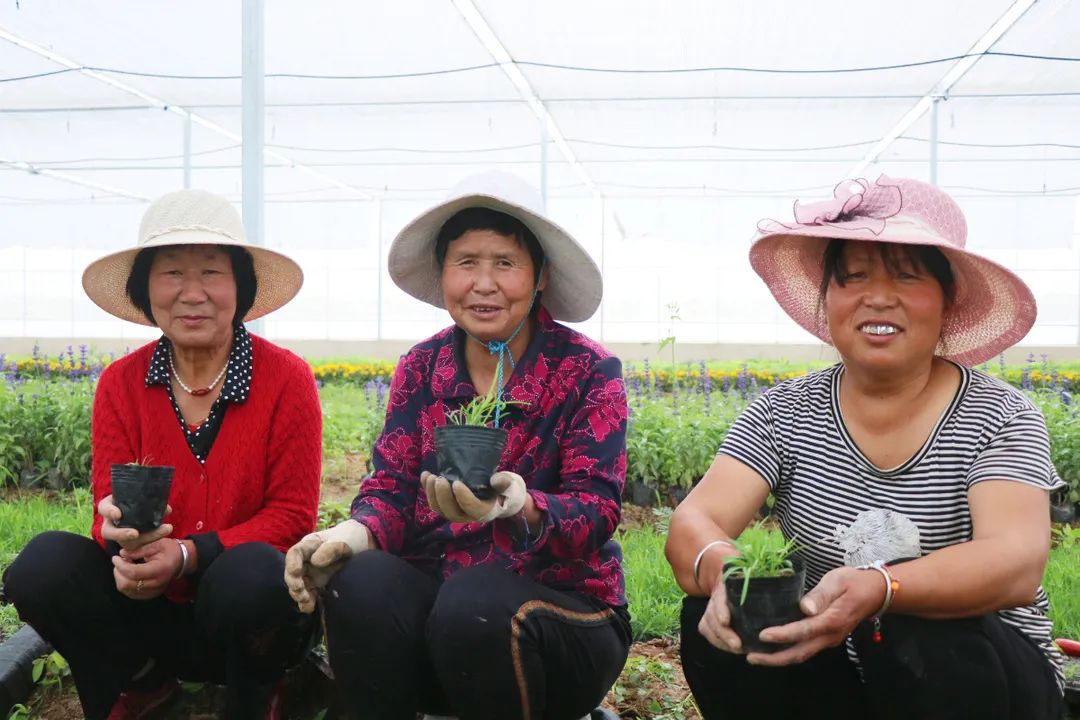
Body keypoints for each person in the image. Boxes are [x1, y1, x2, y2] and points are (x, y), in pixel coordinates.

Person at [665, 176, 1065, 719]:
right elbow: (695, 521)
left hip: (986, 680)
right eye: (853, 277)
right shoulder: (784, 413)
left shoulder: (999, 416)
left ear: (948, 300)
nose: (878, 296)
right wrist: (728, 572)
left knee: (917, 627)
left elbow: (1016, 562)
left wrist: (882, 588)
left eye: (907, 275)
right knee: (719, 613)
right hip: (833, 666)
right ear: (827, 300)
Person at [285, 172, 631, 720]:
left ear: (540, 277)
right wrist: (350, 534)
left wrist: (523, 506)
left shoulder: (586, 369)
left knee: (474, 604)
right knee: (362, 584)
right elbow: (392, 488)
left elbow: (599, 508)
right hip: (438, 611)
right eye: (466, 262)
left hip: (559, 617)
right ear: (444, 273)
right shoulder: (422, 368)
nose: (484, 283)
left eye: (506, 263)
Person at [3, 189, 322, 720]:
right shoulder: (121, 384)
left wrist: (190, 555)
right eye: (172, 273)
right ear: (145, 289)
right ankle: (145, 688)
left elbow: (292, 518)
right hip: (149, 614)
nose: (192, 293)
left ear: (240, 287)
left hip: (249, 619)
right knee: (43, 567)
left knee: (252, 575)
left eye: (211, 273)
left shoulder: (286, 379)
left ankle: (257, 695)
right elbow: (106, 509)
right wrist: (116, 536)